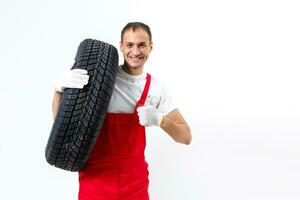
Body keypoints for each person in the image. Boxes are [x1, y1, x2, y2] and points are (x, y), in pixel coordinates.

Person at [52, 22, 192, 200]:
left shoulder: (156, 88)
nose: (135, 51)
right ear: (121, 46)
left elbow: (185, 136)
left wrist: (160, 120)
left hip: (135, 186)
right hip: (95, 184)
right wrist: (57, 90)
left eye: (141, 45)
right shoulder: (99, 82)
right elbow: (61, 125)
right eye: (129, 45)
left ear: (151, 47)